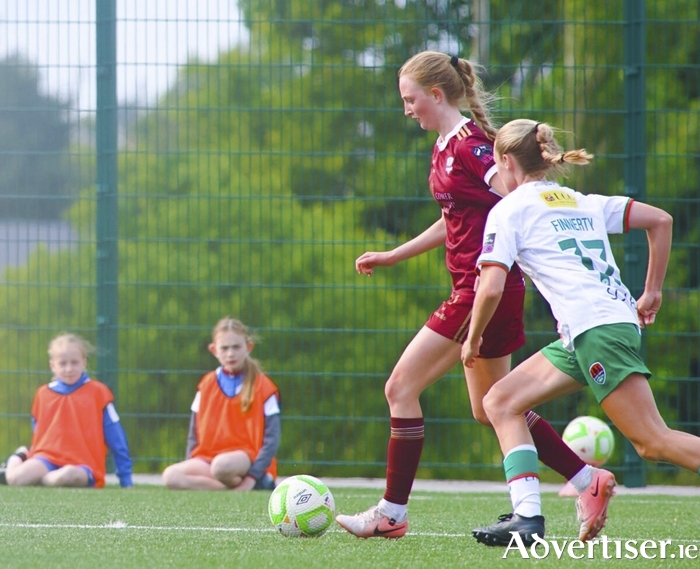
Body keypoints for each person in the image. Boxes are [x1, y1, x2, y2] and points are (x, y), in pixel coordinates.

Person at [335, 51, 613, 541]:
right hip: (477, 289)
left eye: (410, 99)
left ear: (436, 95)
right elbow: (455, 217)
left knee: (401, 387)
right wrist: (393, 255)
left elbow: (518, 199)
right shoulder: (445, 146)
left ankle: (391, 513)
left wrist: (538, 263)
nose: (407, 110)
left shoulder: (472, 147)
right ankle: (587, 479)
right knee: (492, 406)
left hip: (481, 291)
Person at [461, 118, 699, 546]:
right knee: (500, 401)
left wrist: (473, 336)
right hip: (594, 327)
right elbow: (659, 220)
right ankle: (527, 518)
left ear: (507, 161)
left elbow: (491, 286)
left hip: (598, 330)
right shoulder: (579, 200)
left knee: (652, 441)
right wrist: (651, 292)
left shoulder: (509, 210)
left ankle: (531, 515)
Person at [0, 333, 133, 488]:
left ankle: (40, 479)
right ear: (53, 365)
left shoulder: (98, 393)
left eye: (74, 362)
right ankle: (19, 456)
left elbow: (117, 438)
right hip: (47, 459)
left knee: (68, 476)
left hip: (83, 465)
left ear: (84, 362)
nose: (69, 369)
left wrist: (126, 478)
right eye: (62, 363)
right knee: (16, 479)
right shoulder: (43, 394)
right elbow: (38, 433)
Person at [162, 317, 280, 491]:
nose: (230, 354)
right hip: (208, 459)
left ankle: (256, 481)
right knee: (171, 476)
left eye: (236, 347)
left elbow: (271, 440)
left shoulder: (263, 386)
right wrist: (191, 463)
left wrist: (252, 477)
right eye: (224, 348)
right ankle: (232, 490)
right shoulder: (206, 384)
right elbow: (193, 434)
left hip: (244, 459)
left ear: (248, 347)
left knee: (221, 466)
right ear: (214, 350)